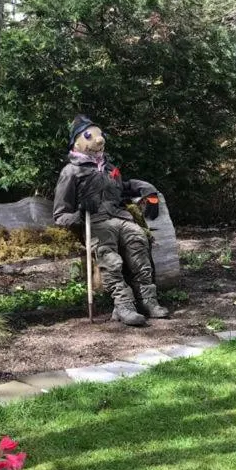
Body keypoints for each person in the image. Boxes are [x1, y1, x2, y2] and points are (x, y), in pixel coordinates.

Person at [53, 115, 170, 327]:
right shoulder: (71, 171)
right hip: (95, 222)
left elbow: (121, 189)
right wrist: (79, 214)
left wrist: (145, 188)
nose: (98, 140)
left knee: (138, 242)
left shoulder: (109, 168)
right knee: (110, 259)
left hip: (119, 217)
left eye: (100, 135)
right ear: (77, 142)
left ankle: (148, 301)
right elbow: (60, 215)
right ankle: (123, 304)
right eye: (90, 135)